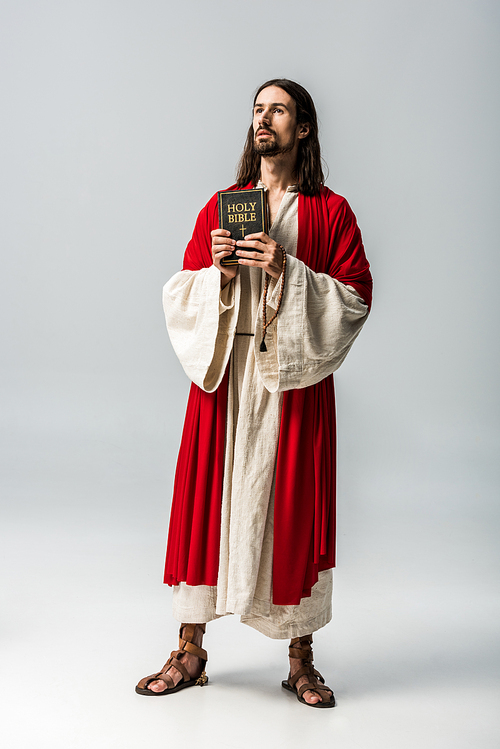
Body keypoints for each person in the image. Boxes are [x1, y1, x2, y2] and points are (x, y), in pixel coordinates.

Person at [136, 79, 372, 708]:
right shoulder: (223, 206)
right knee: (208, 504)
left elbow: (354, 297)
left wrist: (286, 270)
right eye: (258, 110)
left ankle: (300, 658)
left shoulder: (331, 213)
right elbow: (179, 291)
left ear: (302, 129)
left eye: (278, 110)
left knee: (291, 506)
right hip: (229, 373)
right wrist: (213, 270)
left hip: (289, 379)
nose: (264, 119)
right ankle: (190, 648)